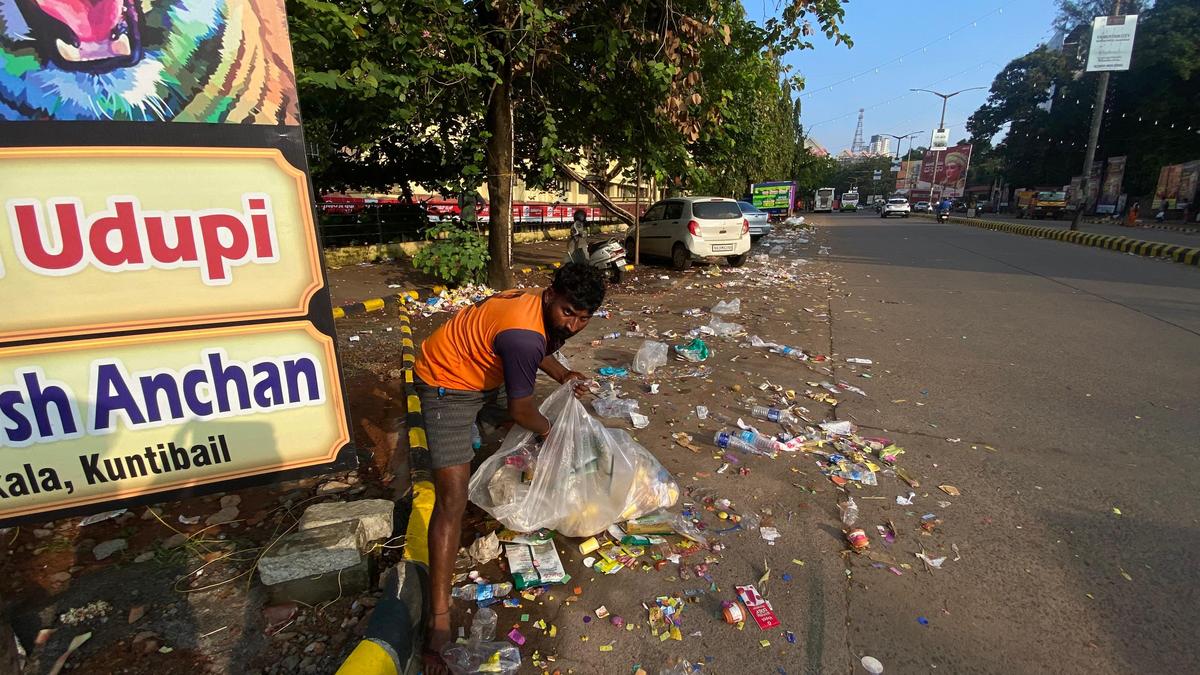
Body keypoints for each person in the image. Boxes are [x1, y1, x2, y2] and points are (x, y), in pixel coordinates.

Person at [414, 263, 606, 668]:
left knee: (527, 417)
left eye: (584, 319)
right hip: (445, 382)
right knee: (452, 499)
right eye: (568, 313)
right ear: (551, 294)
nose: (573, 326)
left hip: (481, 373)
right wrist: (550, 431)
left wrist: (564, 374)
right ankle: (440, 615)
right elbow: (522, 409)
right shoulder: (522, 335)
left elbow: (541, 353)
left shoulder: (535, 310)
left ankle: (479, 431)